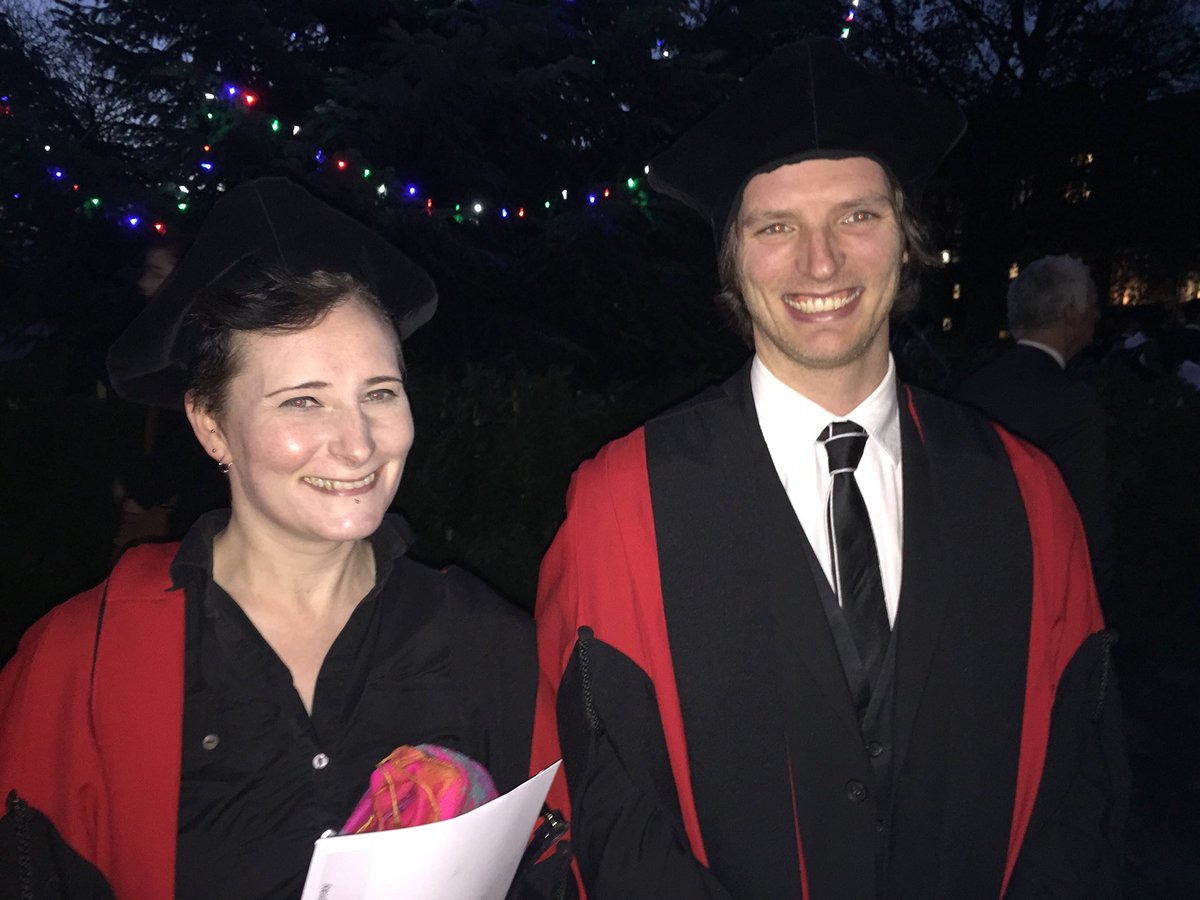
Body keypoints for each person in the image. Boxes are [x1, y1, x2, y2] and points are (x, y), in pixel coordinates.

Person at [530, 39, 1128, 898]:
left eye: (858, 217)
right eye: (776, 227)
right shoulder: (624, 506)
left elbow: (1081, 787)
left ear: (906, 242)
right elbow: (603, 801)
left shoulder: (1026, 496)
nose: (821, 262)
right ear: (734, 260)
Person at [0, 177, 536, 899]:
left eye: (379, 392)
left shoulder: (490, 644)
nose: (358, 445)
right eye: (303, 401)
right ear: (211, 425)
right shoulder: (80, 665)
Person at [957, 255, 1119, 622]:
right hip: (1045, 600)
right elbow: (1087, 521)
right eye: (1093, 303)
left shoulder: (972, 387)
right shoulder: (1075, 404)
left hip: (976, 586)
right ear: (1071, 314)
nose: (1097, 314)